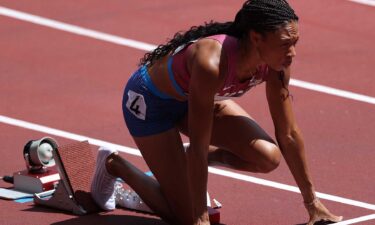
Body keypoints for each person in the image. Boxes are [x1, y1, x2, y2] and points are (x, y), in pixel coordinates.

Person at [91, 0, 343, 224]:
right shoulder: (211, 62)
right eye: (285, 44)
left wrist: (313, 203)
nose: (292, 53)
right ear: (256, 38)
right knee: (186, 216)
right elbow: (200, 143)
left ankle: (181, 163)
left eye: (295, 43)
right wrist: (200, 217)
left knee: (268, 157)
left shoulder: (277, 65)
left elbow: (287, 133)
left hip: (197, 101)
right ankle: (115, 165)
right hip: (150, 104)